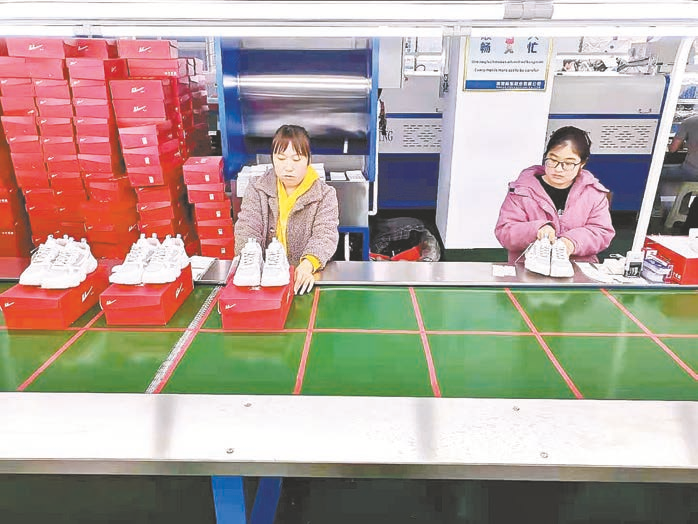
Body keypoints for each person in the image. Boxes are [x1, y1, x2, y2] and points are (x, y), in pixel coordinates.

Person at [234, 124, 339, 295]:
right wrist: (251, 265)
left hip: (305, 279)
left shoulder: (325, 194)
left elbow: (325, 235)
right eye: (281, 158)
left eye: (296, 159)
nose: (288, 167)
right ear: (272, 159)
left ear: (308, 160)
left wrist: (308, 265)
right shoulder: (257, 187)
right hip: (264, 281)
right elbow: (247, 227)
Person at [494, 126, 615, 264]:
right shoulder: (521, 191)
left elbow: (602, 232)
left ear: (582, 163)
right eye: (552, 160)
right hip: (529, 267)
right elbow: (505, 231)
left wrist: (571, 242)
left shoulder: (593, 194)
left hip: (578, 268)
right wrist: (536, 230)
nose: (558, 169)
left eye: (568, 163)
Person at [667, 115, 698, 233]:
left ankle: (662, 212)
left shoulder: (689, 121)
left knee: (660, 174)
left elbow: (673, 148)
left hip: (692, 172)